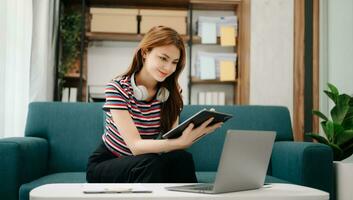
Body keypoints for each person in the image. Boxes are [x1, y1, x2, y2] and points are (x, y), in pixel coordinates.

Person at [86, 26, 223, 183]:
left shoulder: (171, 92)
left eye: (174, 62)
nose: (168, 68)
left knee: (181, 158)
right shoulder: (117, 87)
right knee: (149, 162)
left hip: (146, 161)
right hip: (108, 162)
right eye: (163, 58)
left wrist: (197, 131)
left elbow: (173, 140)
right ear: (145, 53)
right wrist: (179, 142)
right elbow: (135, 146)